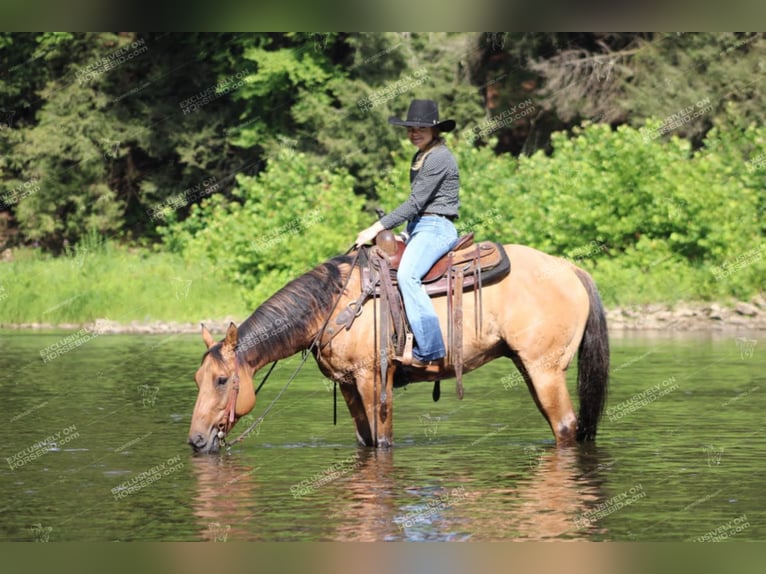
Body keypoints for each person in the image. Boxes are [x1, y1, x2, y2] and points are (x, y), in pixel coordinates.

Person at [355, 99, 460, 367]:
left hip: (437, 227)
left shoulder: (439, 157)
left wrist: (375, 228)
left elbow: (416, 203)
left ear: (435, 130)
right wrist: (405, 232)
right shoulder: (421, 155)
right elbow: (418, 207)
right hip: (420, 226)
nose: (415, 133)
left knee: (407, 275)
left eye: (421, 128)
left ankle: (430, 350)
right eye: (410, 128)